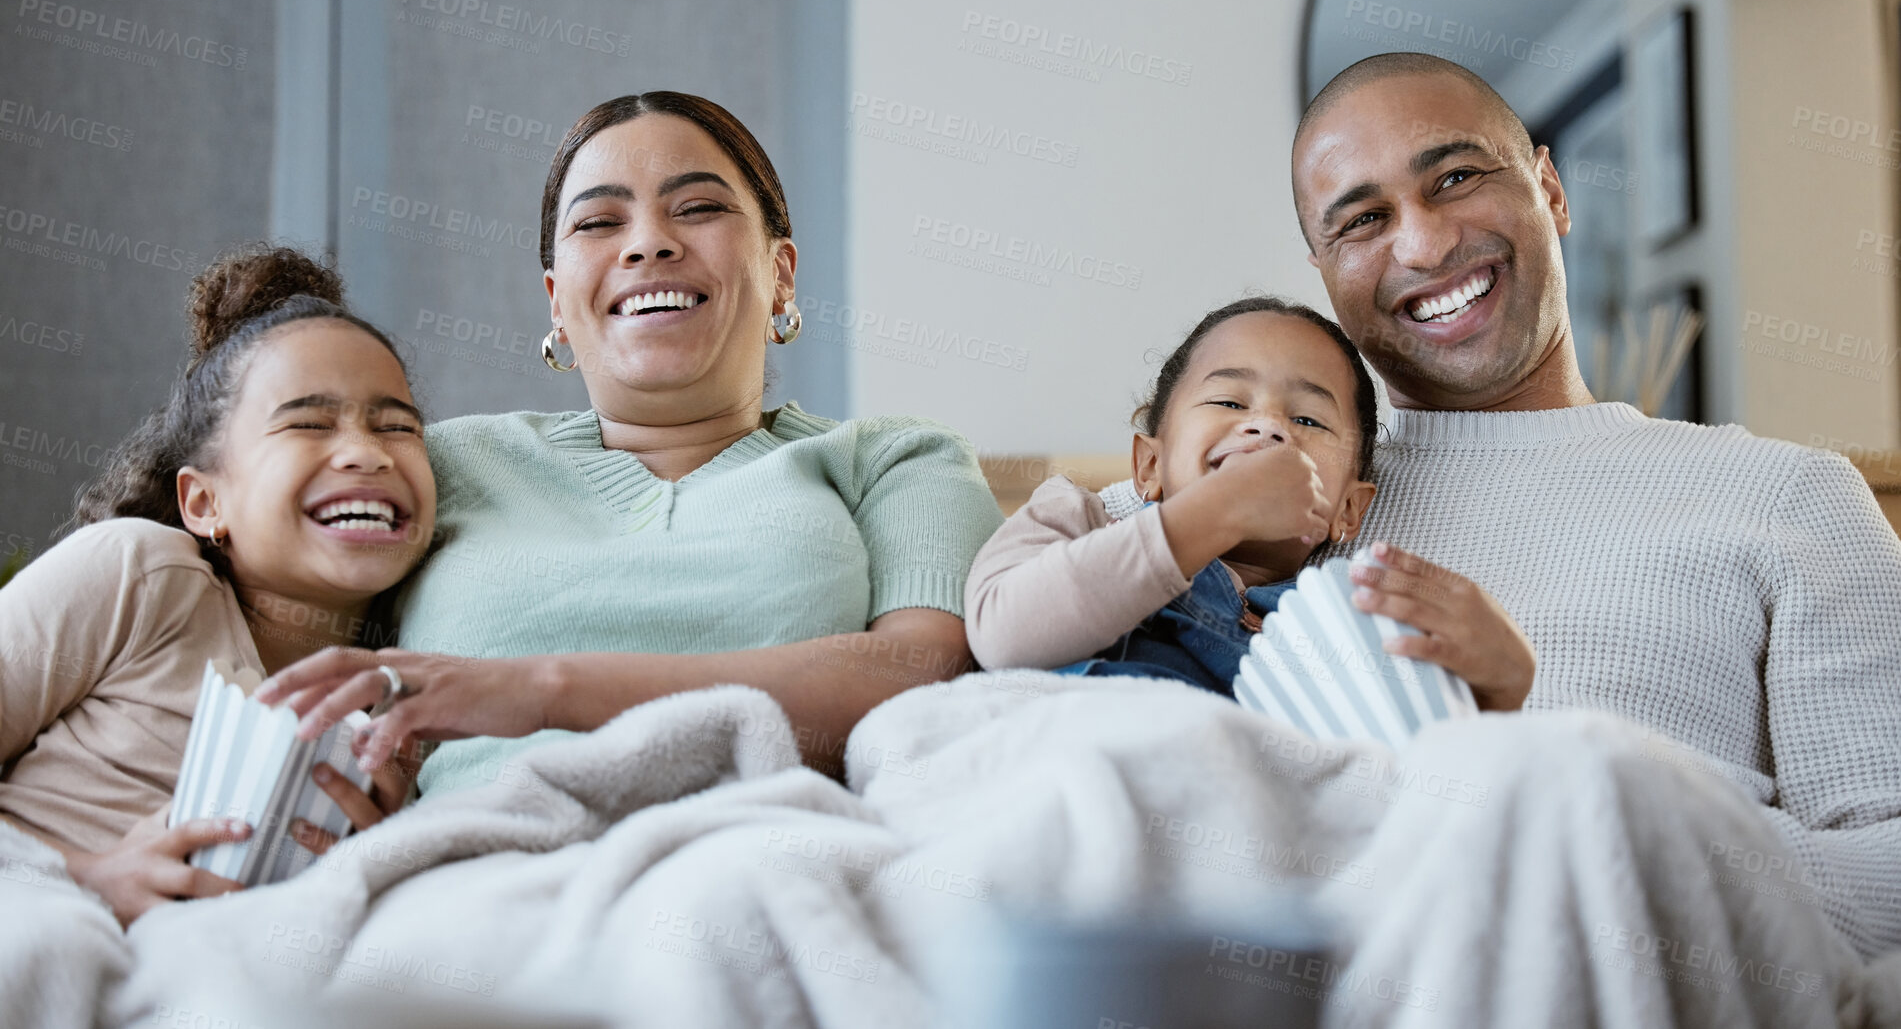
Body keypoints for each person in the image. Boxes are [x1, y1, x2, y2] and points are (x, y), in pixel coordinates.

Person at [1100, 52, 1901, 959]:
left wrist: (1600, 842)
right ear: (1324, 270)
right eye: (1363, 220)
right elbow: (1012, 686)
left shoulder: (1786, 497)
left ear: (1549, 189)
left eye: (1455, 178)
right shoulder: (1236, 476)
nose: (1424, 245)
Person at [258, 92, 1004, 801]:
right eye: (598, 223)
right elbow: (259, 622)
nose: (649, 243)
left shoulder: (898, 461)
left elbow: (919, 678)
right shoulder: (441, 463)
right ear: (556, 300)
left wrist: (540, 690)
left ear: (780, 276)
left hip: (774, 857)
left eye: (699, 208)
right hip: (473, 870)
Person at [0, 246, 435, 925]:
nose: (367, 452)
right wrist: (88, 876)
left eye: (397, 426)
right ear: (205, 504)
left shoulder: (401, 701)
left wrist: (372, 860)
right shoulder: (143, 576)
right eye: (308, 424)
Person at [965, 296, 1534, 708]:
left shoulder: (1350, 619)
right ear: (1149, 465)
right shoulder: (1079, 518)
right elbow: (1002, 635)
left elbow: (1404, 766)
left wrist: (1501, 690)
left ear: (1348, 511)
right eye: (1229, 402)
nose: (1266, 427)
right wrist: (1215, 512)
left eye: (1307, 419)